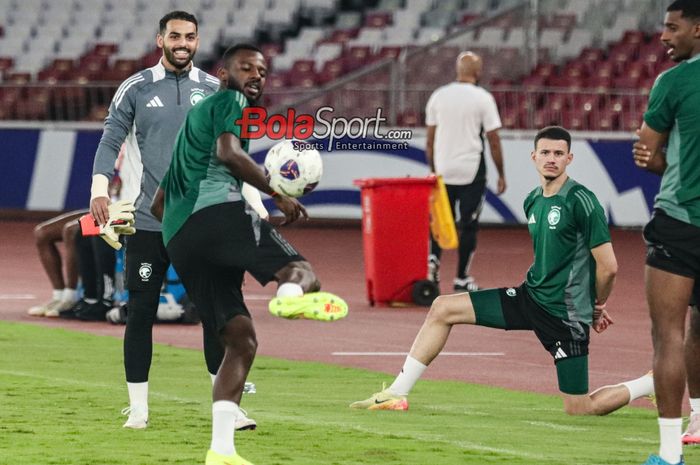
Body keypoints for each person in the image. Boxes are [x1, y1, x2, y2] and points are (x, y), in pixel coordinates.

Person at [351, 126, 654, 420]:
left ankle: (650, 383)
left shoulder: (582, 202)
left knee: (579, 408)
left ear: (569, 159)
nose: (551, 158)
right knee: (442, 308)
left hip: (565, 315)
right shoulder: (532, 200)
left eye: (559, 153)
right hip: (530, 298)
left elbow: (609, 266)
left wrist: (596, 306)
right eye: (545, 152)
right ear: (533, 156)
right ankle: (396, 392)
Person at [151, 43, 347, 465]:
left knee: (240, 341)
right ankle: (288, 298)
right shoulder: (230, 101)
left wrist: (179, 246)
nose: (256, 76)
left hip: (179, 238)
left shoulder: (192, 126)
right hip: (216, 213)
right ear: (224, 75)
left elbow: (157, 206)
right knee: (302, 270)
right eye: (246, 68)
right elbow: (229, 153)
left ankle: (221, 451)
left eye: (262, 70)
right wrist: (277, 192)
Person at [89, 10, 256, 431]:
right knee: (140, 311)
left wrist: (253, 202)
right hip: (149, 221)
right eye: (175, 36)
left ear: (198, 42)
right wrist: (97, 190)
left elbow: (235, 152)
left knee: (215, 315)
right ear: (160, 39)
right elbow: (110, 139)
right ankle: (139, 410)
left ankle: (227, 409)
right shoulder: (136, 88)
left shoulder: (215, 90)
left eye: (191, 37)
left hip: (202, 222)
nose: (183, 43)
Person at [632, 2, 700, 464]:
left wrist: (668, 163)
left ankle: (670, 454)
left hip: (680, 222)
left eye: (673, 28)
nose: (663, 36)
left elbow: (648, 152)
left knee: (668, 337)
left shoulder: (673, 82)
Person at [424, 51, 506, 292]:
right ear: (478, 72)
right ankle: (461, 277)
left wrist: (433, 172)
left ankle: (433, 264)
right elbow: (493, 140)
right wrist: (501, 173)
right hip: (471, 170)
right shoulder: (483, 98)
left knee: (439, 221)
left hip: (443, 169)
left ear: (457, 70)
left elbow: (429, 140)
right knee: (468, 224)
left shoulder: (438, 96)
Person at [26, 211, 84, 317]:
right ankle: (58, 296)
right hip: (99, 208)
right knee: (42, 232)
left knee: (71, 230)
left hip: (117, 212)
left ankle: (70, 297)